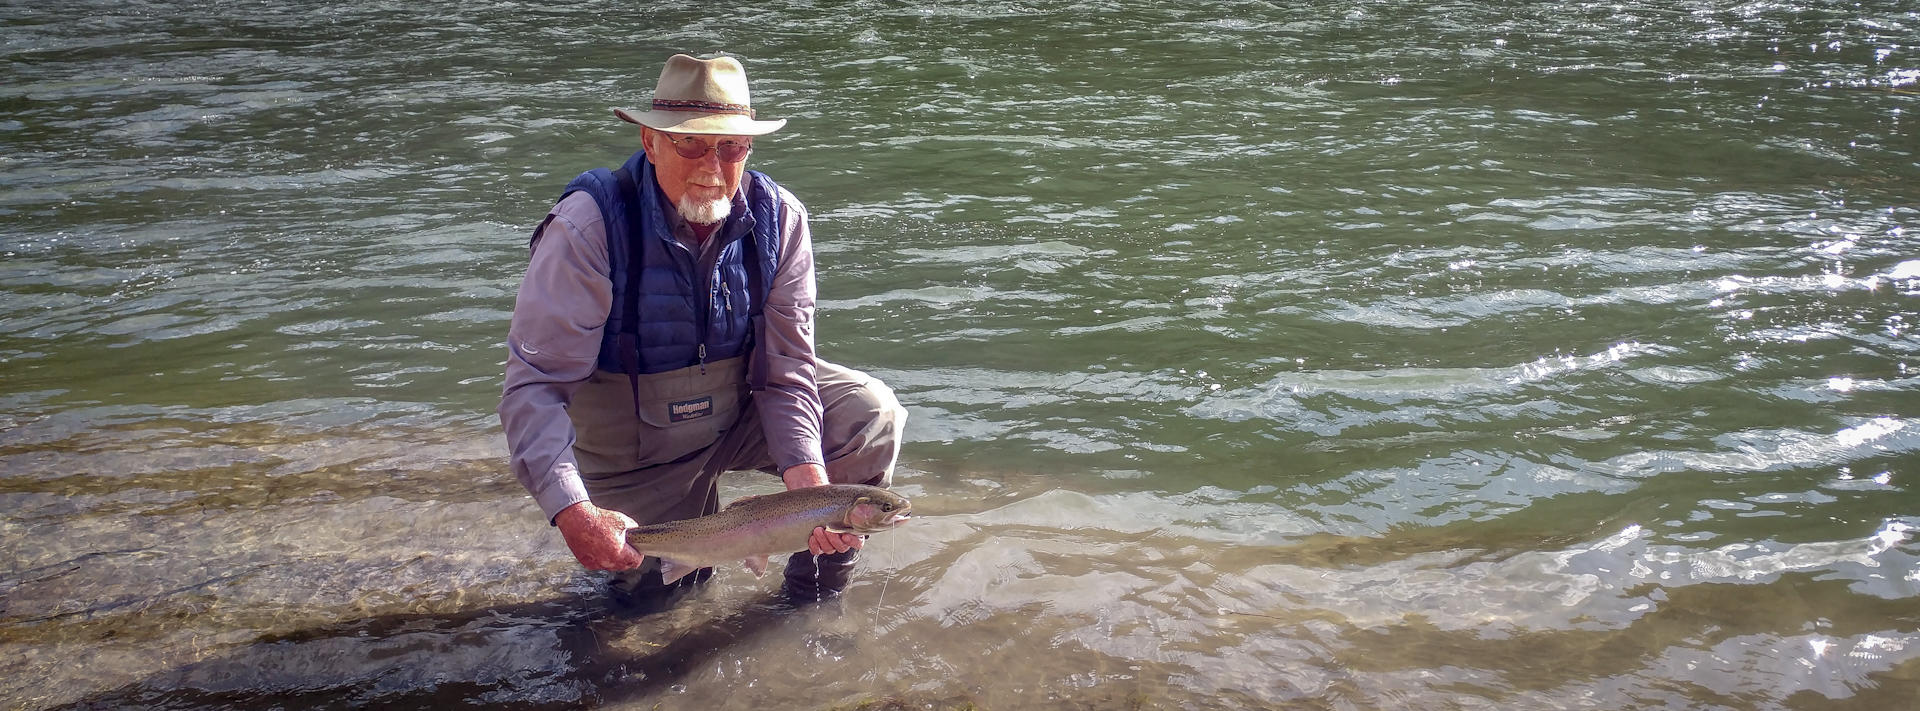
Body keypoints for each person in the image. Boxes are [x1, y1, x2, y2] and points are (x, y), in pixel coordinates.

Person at [498, 53, 907, 605]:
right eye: (690, 143)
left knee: (872, 413)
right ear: (650, 141)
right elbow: (535, 388)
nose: (710, 163)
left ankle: (814, 591)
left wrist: (813, 494)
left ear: (749, 149)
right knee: (656, 600)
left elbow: (787, 375)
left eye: (730, 146)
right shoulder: (587, 227)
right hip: (638, 447)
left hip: (738, 413)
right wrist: (572, 509)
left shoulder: (780, 220)